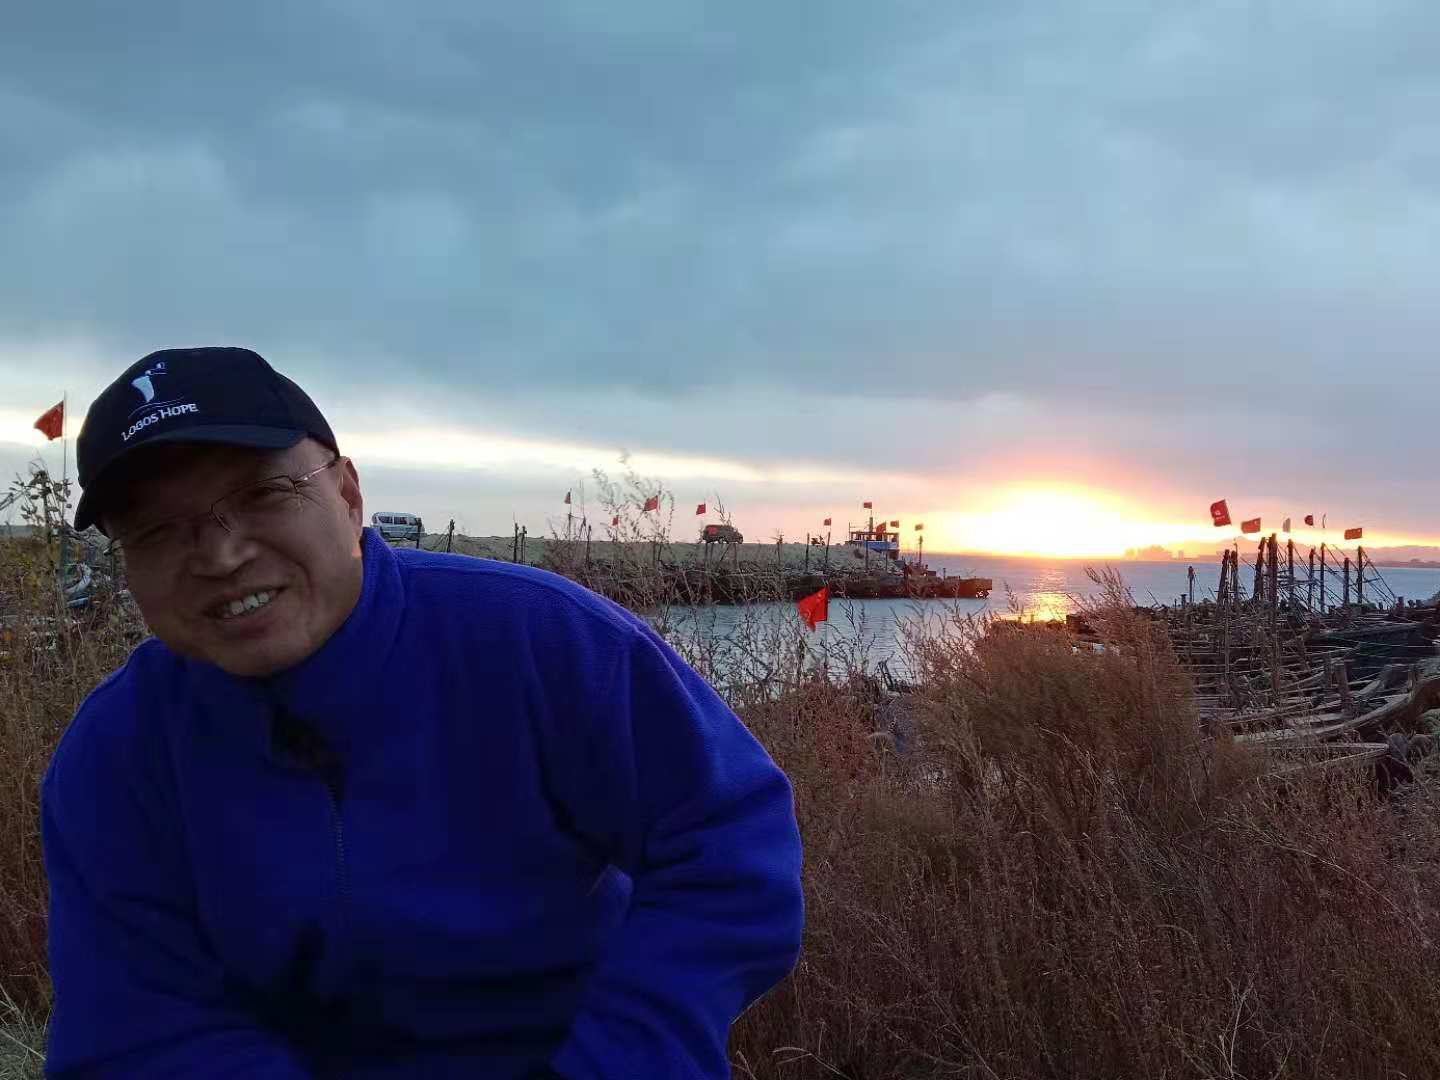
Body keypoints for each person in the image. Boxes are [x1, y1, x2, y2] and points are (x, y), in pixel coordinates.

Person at [43, 347, 804, 1079]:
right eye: (157, 530)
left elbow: (728, 842)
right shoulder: (116, 754)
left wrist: (622, 1058)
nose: (219, 555)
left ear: (348, 495)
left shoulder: (541, 641)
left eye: (261, 495)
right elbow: (137, 1030)